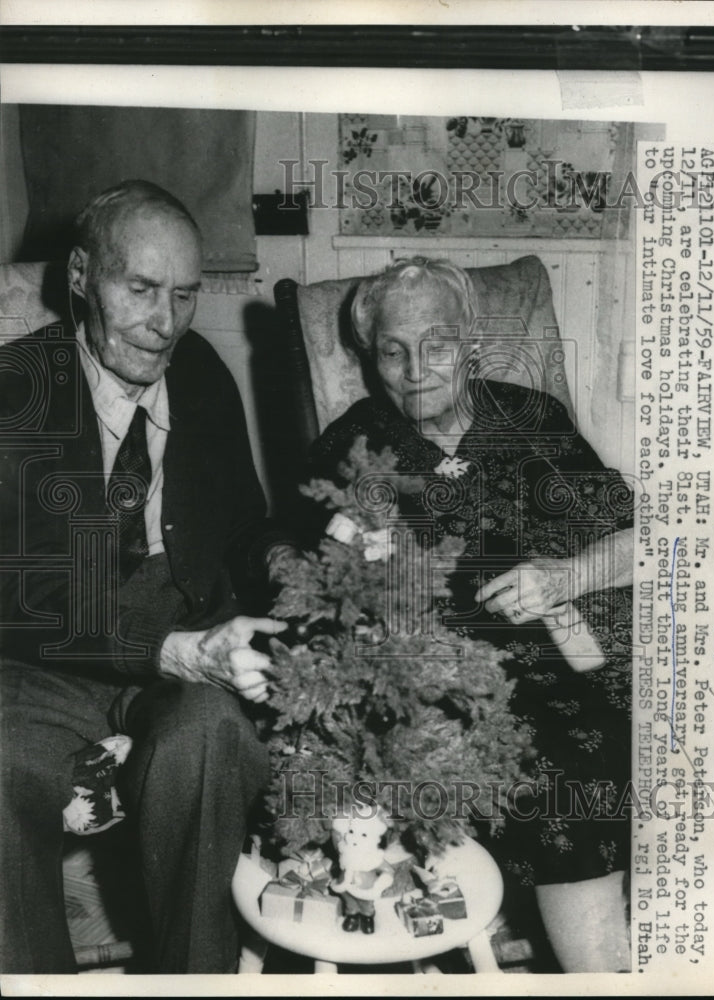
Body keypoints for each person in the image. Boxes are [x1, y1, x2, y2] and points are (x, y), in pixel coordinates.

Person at [305, 257, 634, 972]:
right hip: (460, 688)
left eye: (438, 344)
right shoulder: (356, 450)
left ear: (472, 342)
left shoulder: (532, 420)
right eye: (393, 349)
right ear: (370, 356)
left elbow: (641, 535)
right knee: (567, 778)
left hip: (581, 657)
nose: (416, 368)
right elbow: (298, 569)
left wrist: (569, 575)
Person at [0, 180, 296, 974]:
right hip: (39, 663)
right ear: (80, 277)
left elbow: (242, 524)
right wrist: (170, 651)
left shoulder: (199, 374)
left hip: (186, 631)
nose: (164, 323)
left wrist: (288, 561)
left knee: (213, 739)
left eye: (185, 295)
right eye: (139, 289)